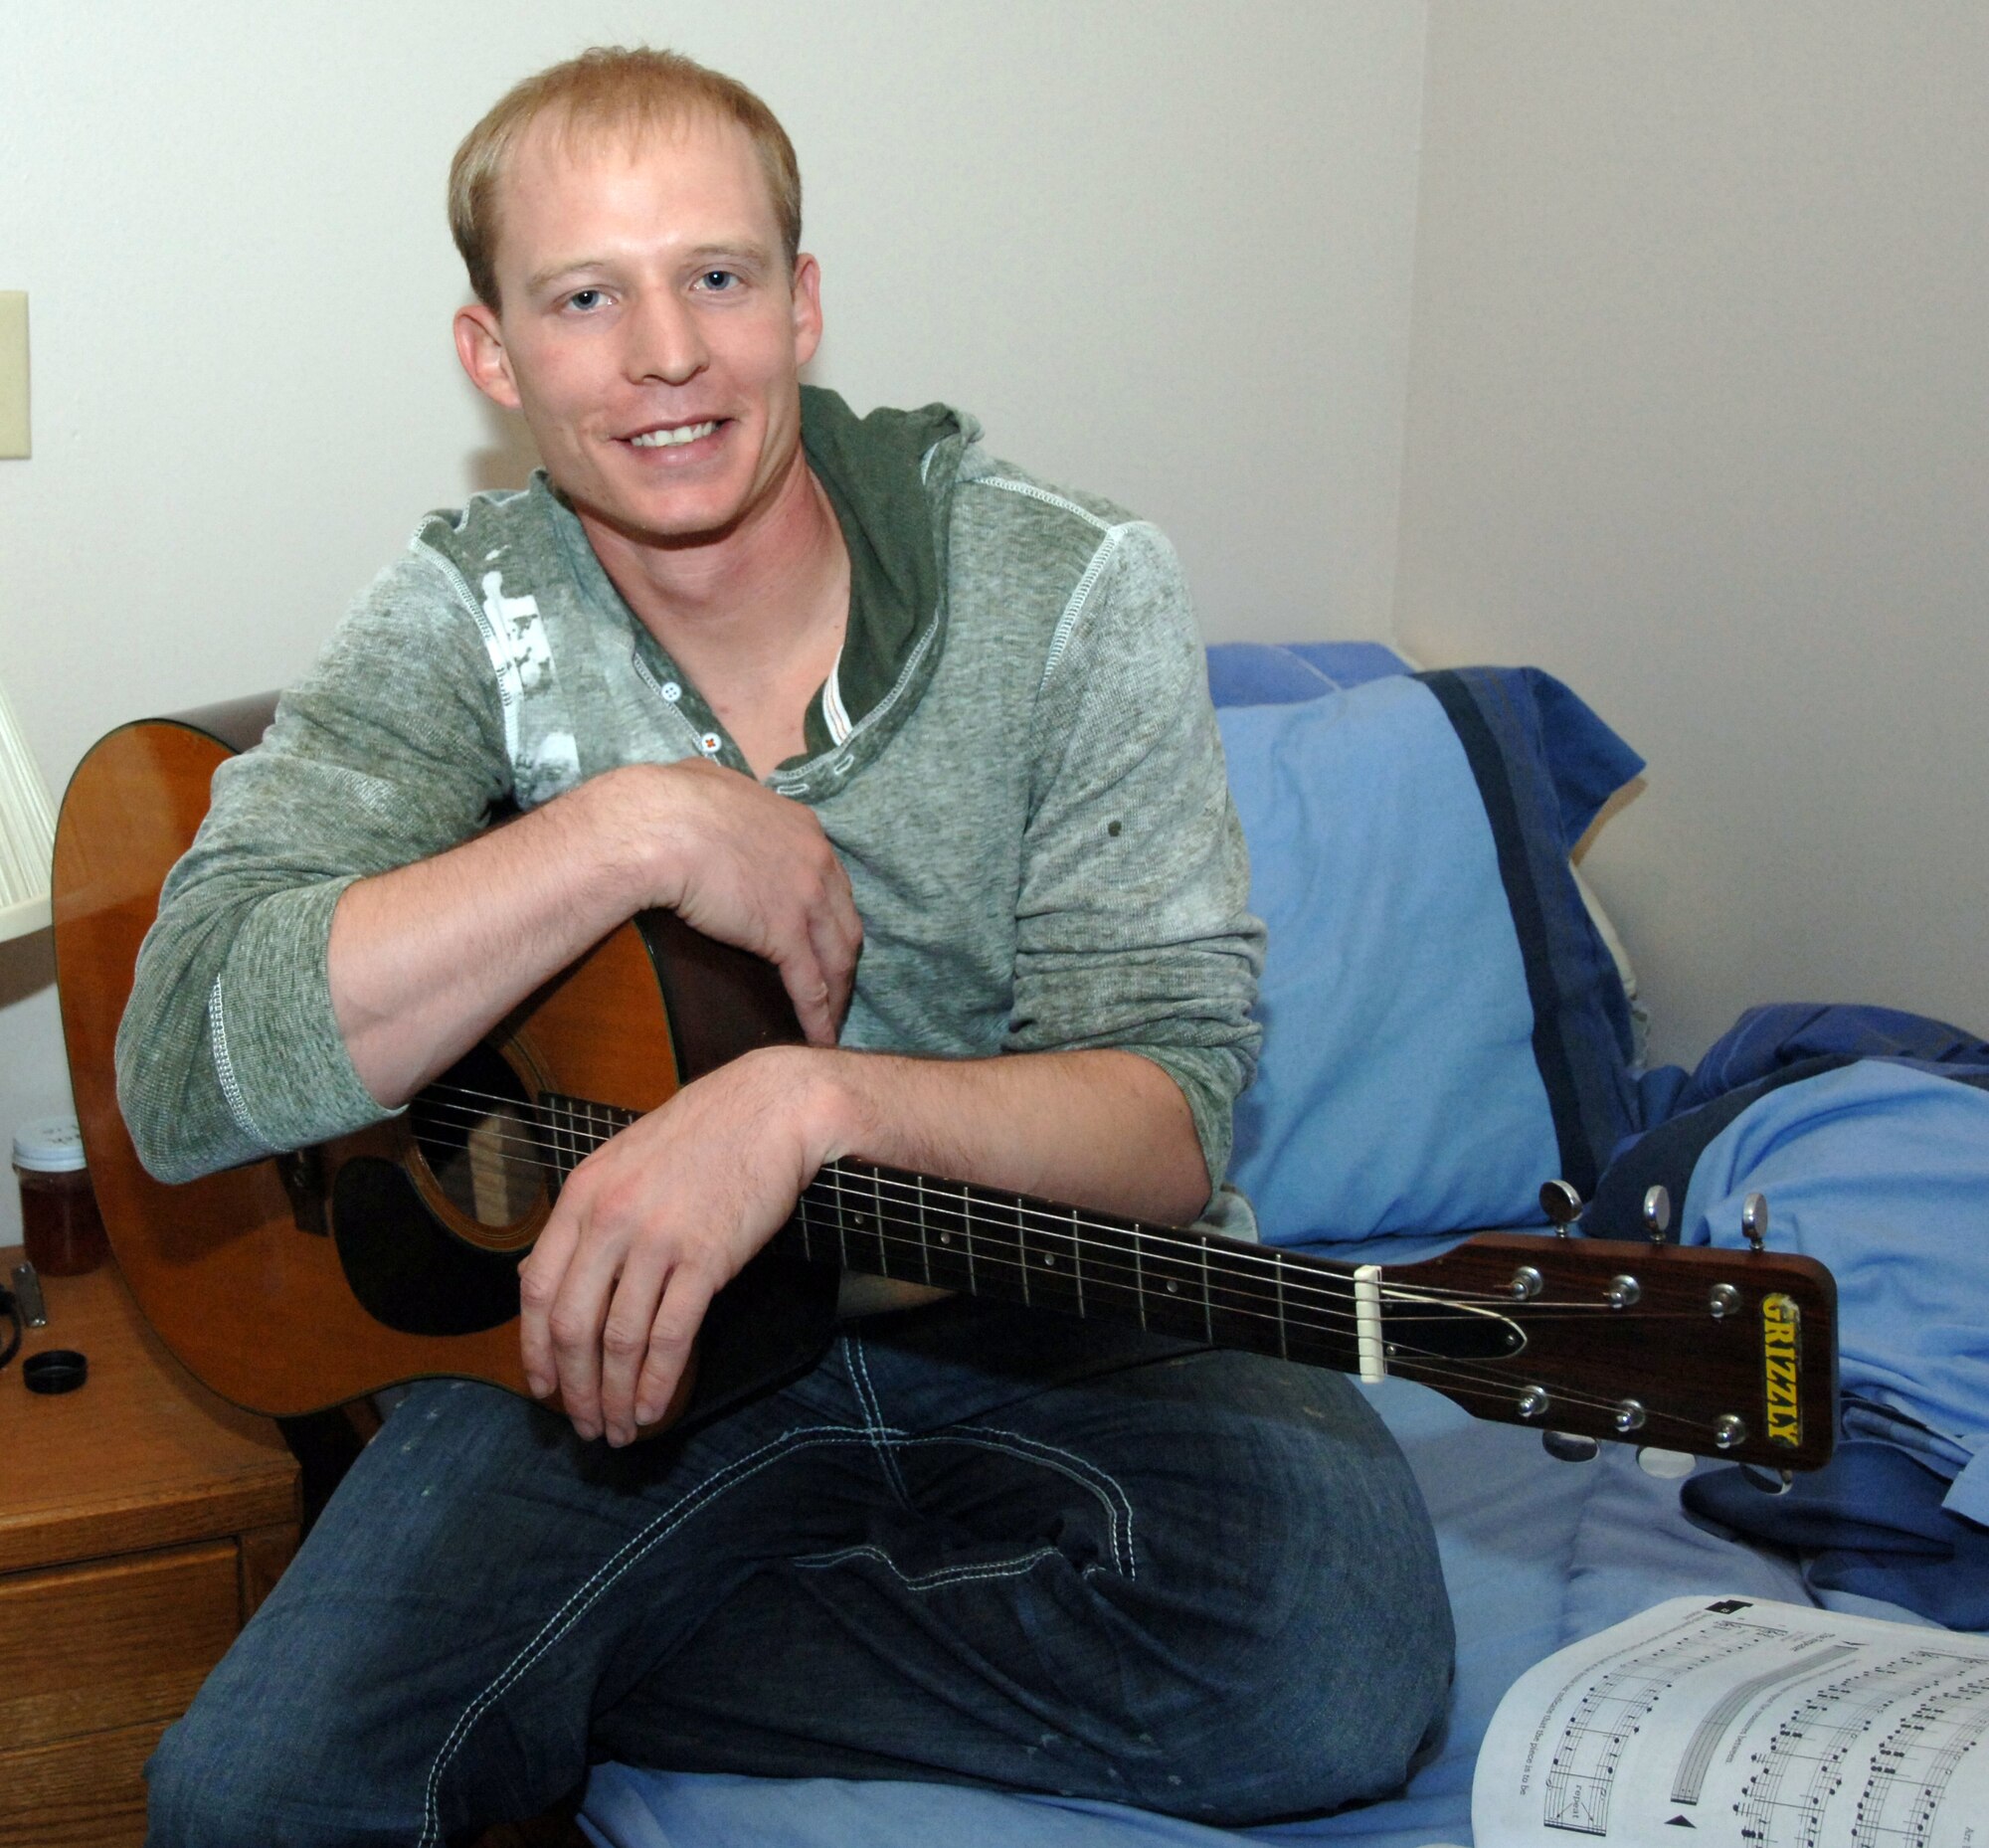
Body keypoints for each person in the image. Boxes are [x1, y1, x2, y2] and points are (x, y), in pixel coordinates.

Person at [121, 46, 1453, 1848]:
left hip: (1052, 1316)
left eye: (719, 277)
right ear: (493, 358)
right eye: (587, 297)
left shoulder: (1066, 588)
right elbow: (185, 1062)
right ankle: (629, 1631)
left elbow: (1169, 1120)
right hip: (614, 1335)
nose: (666, 352)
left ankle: (603, 1666)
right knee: (245, 1793)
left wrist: (806, 1109)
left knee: (1330, 1667)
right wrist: (629, 828)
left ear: (804, 304)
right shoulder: (466, 618)